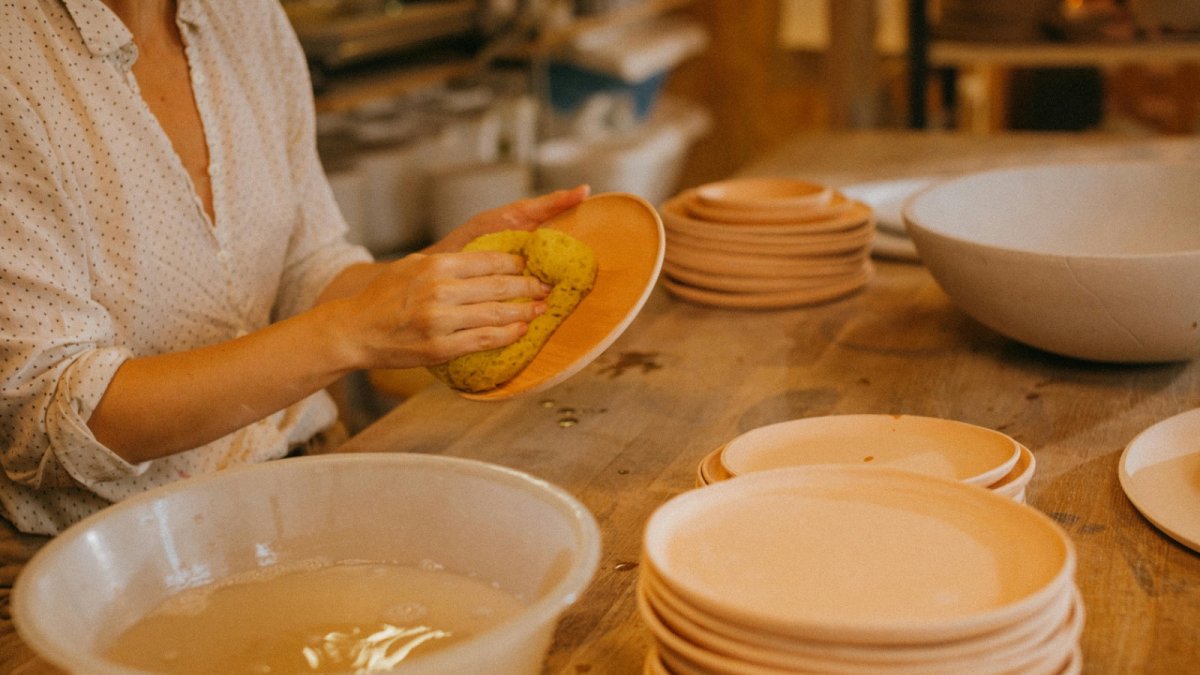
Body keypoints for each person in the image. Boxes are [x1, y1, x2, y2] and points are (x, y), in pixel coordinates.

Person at [0, 0, 589, 537]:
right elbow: (49, 424)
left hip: (298, 479)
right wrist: (351, 333)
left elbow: (307, 266)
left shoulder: (245, 17)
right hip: (102, 547)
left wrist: (425, 280)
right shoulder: (16, 59)